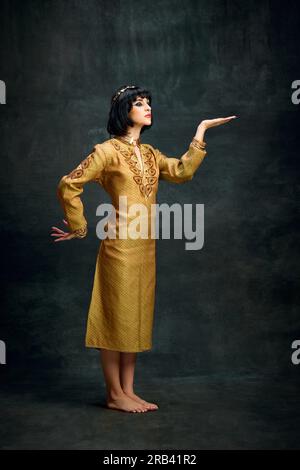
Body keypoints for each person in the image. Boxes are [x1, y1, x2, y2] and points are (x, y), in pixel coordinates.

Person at [51, 85, 237, 413]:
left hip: (145, 249)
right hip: (119, 247)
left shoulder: (150, 154)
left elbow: (182, 171)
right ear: (125, 111)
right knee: (114, 319)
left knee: (133, 318)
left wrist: (201, 131)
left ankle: (128, 391)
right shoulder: (107, 151)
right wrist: (79, 226)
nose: (147, 107)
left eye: (149, 103)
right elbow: (70, 184)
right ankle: (113, 395)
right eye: (139, 103)